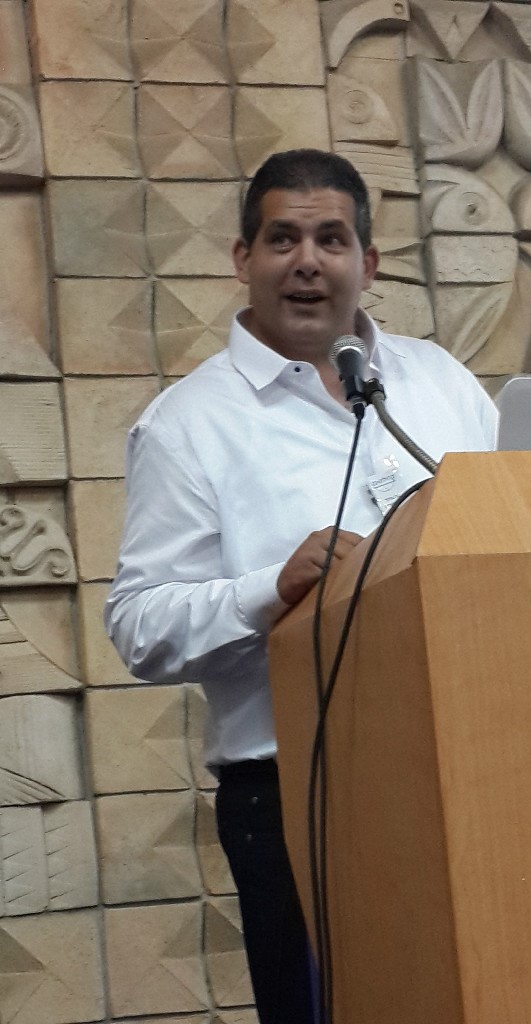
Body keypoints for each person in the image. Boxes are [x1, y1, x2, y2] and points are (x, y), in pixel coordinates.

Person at [105, 148, 498, 1023]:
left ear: (370, 261)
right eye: (283, 238)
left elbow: (510, 535)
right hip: (296, 797)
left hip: (477, 764)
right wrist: (268, 589)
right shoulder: (188, 425)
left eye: (332, 239)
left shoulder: (439, 382)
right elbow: (138, 626)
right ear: (243, 258)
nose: (308, 261)